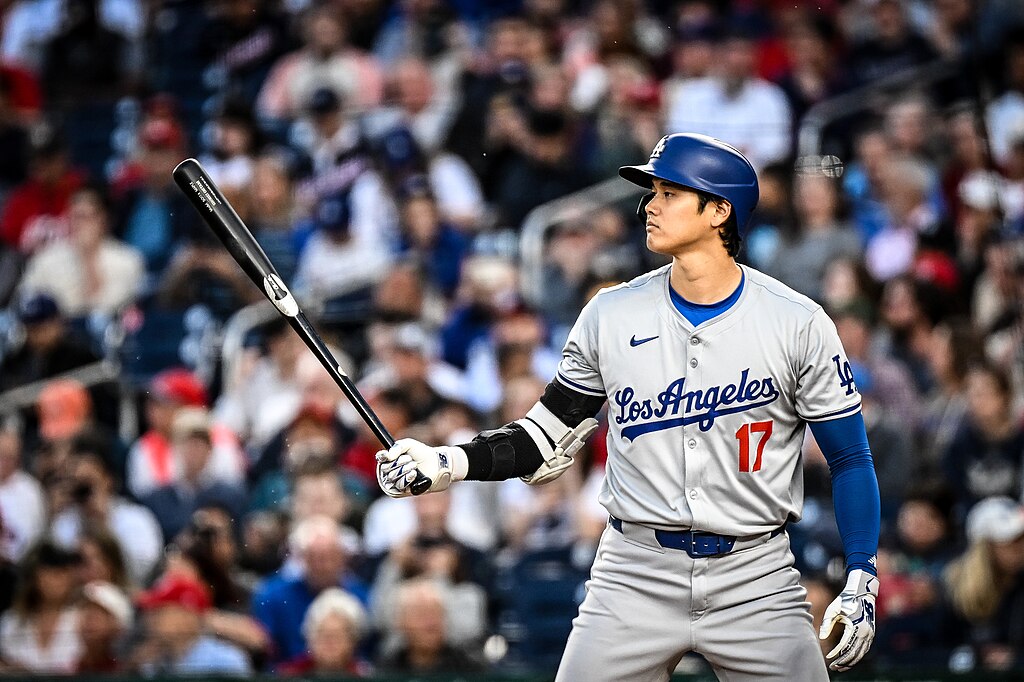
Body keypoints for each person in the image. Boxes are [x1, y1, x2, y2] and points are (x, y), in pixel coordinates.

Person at [377, 133, 882, 680]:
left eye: (669, 193)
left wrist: (861, 574)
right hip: (634, 571)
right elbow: (544, 435)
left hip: (755, 572)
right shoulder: (610, 314)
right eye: (652, 192)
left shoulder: (797, 323)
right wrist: (446, 462)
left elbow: (850, 459)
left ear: (720, 211)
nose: (649, 206)